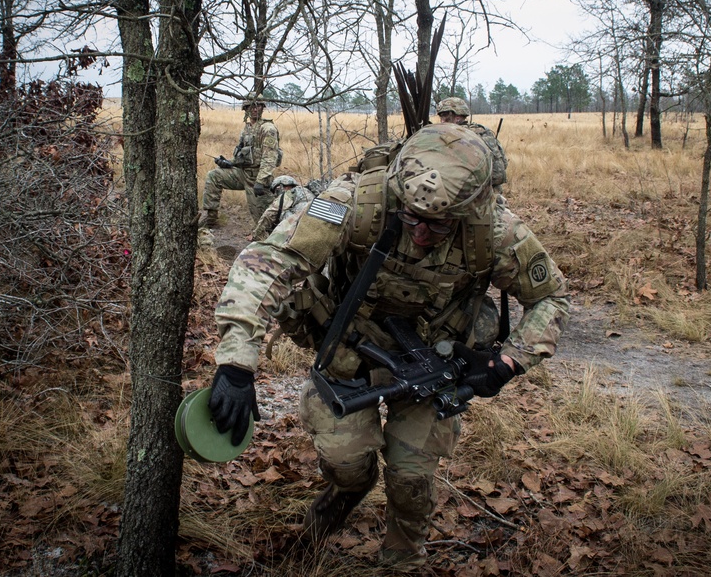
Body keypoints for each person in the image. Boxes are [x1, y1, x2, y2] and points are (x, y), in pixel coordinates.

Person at [207, 125, 569, 568]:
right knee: (348, 466)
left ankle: (403, 559)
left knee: (411, 481)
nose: (419, 232)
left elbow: (551, 297)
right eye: (411, 217)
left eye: (438, 224)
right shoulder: (357, 202)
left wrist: (510, 360)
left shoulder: (493, 228)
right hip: (347, 356)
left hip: (433, 364)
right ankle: (340, 501)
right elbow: (265, 263)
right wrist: (236, 363)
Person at [199, 93, 281, 228]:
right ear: (245, 109)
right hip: (242, 173)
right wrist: (229, 163)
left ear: (262, 108)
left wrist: (260, 181)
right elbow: (242, 156)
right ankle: (211, 218)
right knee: (214, 176)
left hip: (258, 179)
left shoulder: (268, 129)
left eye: (258, 106)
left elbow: (270, 158)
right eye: (251, 106)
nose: (254, 109)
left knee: (264, 224)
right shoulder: (247, 130)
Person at [436, 97, 507, 191]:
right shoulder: (484, 132)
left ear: (457, 118)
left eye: (445, 116)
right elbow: (503, 163)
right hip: (493, 194)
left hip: (469, 195)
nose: (442, 121)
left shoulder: (454, 136)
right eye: (441, 117)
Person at [250, 175, 314, 241]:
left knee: (281, 212)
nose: (276, 195)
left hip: (300, 228)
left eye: (275, 191)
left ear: (279, 187)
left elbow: (269, 214)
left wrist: (256, 234)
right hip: (314, 227)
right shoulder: (307, 191)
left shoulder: (289, 194)